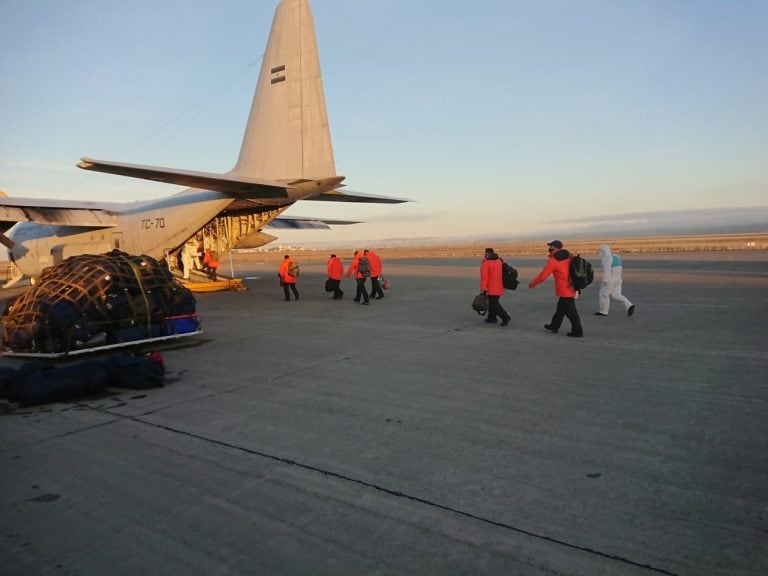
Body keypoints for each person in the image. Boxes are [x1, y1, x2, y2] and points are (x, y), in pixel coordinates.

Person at [528, 240, 584, 337]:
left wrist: (533, 284)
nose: (550, 248)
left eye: (551, 246)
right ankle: (554, 325)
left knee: (571, 313)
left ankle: (577, 331)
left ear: (556, 248)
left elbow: (543, 275)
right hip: (571, 286)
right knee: (561, 309)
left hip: (564, 289)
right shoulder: (569, 255)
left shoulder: (554, 260)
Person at [596, 244, 635, 317]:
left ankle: (603, 311)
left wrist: (605, 281)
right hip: (618, 279)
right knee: (616, 295)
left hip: (610, 280)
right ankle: (629, 305)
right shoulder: (616, 256)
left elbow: (606, 271)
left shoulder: (606, 258)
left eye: (599, 250)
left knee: (603, 294)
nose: (598, 252)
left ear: (603, 251)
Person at [480, 247, 510, 327]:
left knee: (494, 304)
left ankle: (505, 317)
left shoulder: (486, 263)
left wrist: (483, 288)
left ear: (487, 253)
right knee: (493, 302)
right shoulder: (499, 260)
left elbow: (485, 277)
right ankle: (492, 318)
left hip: (491, 287)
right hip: (500, 285)